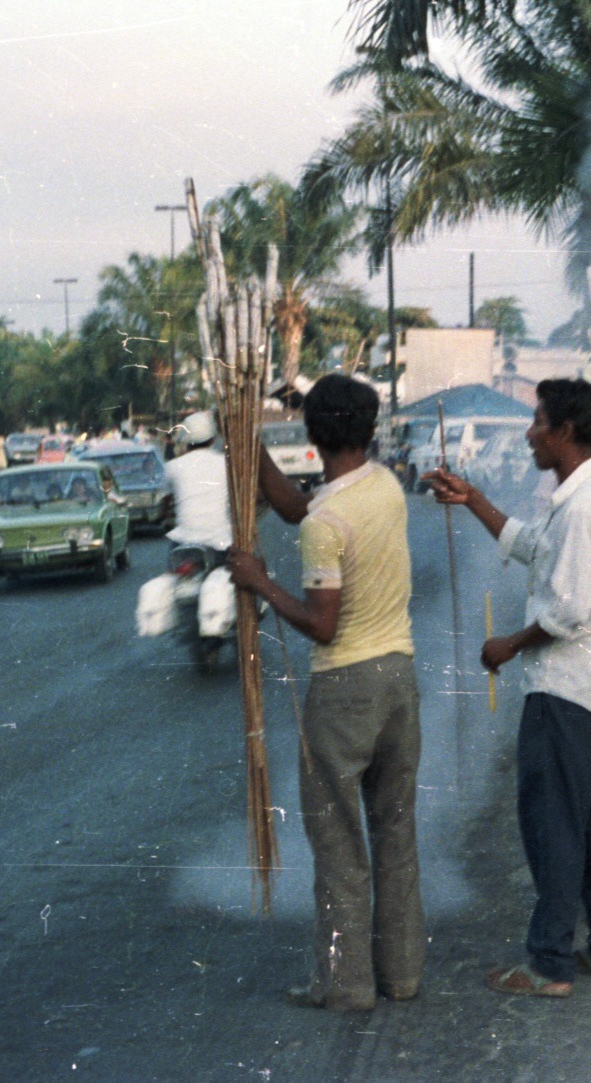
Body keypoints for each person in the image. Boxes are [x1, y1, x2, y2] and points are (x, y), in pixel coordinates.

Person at [424, 378, 591, 998]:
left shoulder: (589, 506)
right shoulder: (588, 495)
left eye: (537, 421)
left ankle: (549, 963)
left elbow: (566, 610)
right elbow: (534, 547)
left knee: (552, 827)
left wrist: (506, 646)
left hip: (565, 691)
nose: (528, 432)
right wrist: (475, 500)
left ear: (565, 431)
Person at [227, 375, 423, 1013]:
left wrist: (261, 583)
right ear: (367, 431)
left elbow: (321, 623)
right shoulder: (384, 487)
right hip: (398, 678)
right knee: (394, 832)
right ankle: (402, 974)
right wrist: (249, 451)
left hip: (345, 686)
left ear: (312, 435)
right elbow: (293, 506)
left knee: (338, 839)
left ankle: (346, 984)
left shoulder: (327, 523)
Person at [163, 411, 234, 555]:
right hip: (221, 541)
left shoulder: (172, 466)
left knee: (173, 568)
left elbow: (165, 502)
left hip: (185, 541)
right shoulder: (225, 463)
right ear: (213, 439)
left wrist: (165, 515)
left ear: (186, 439)